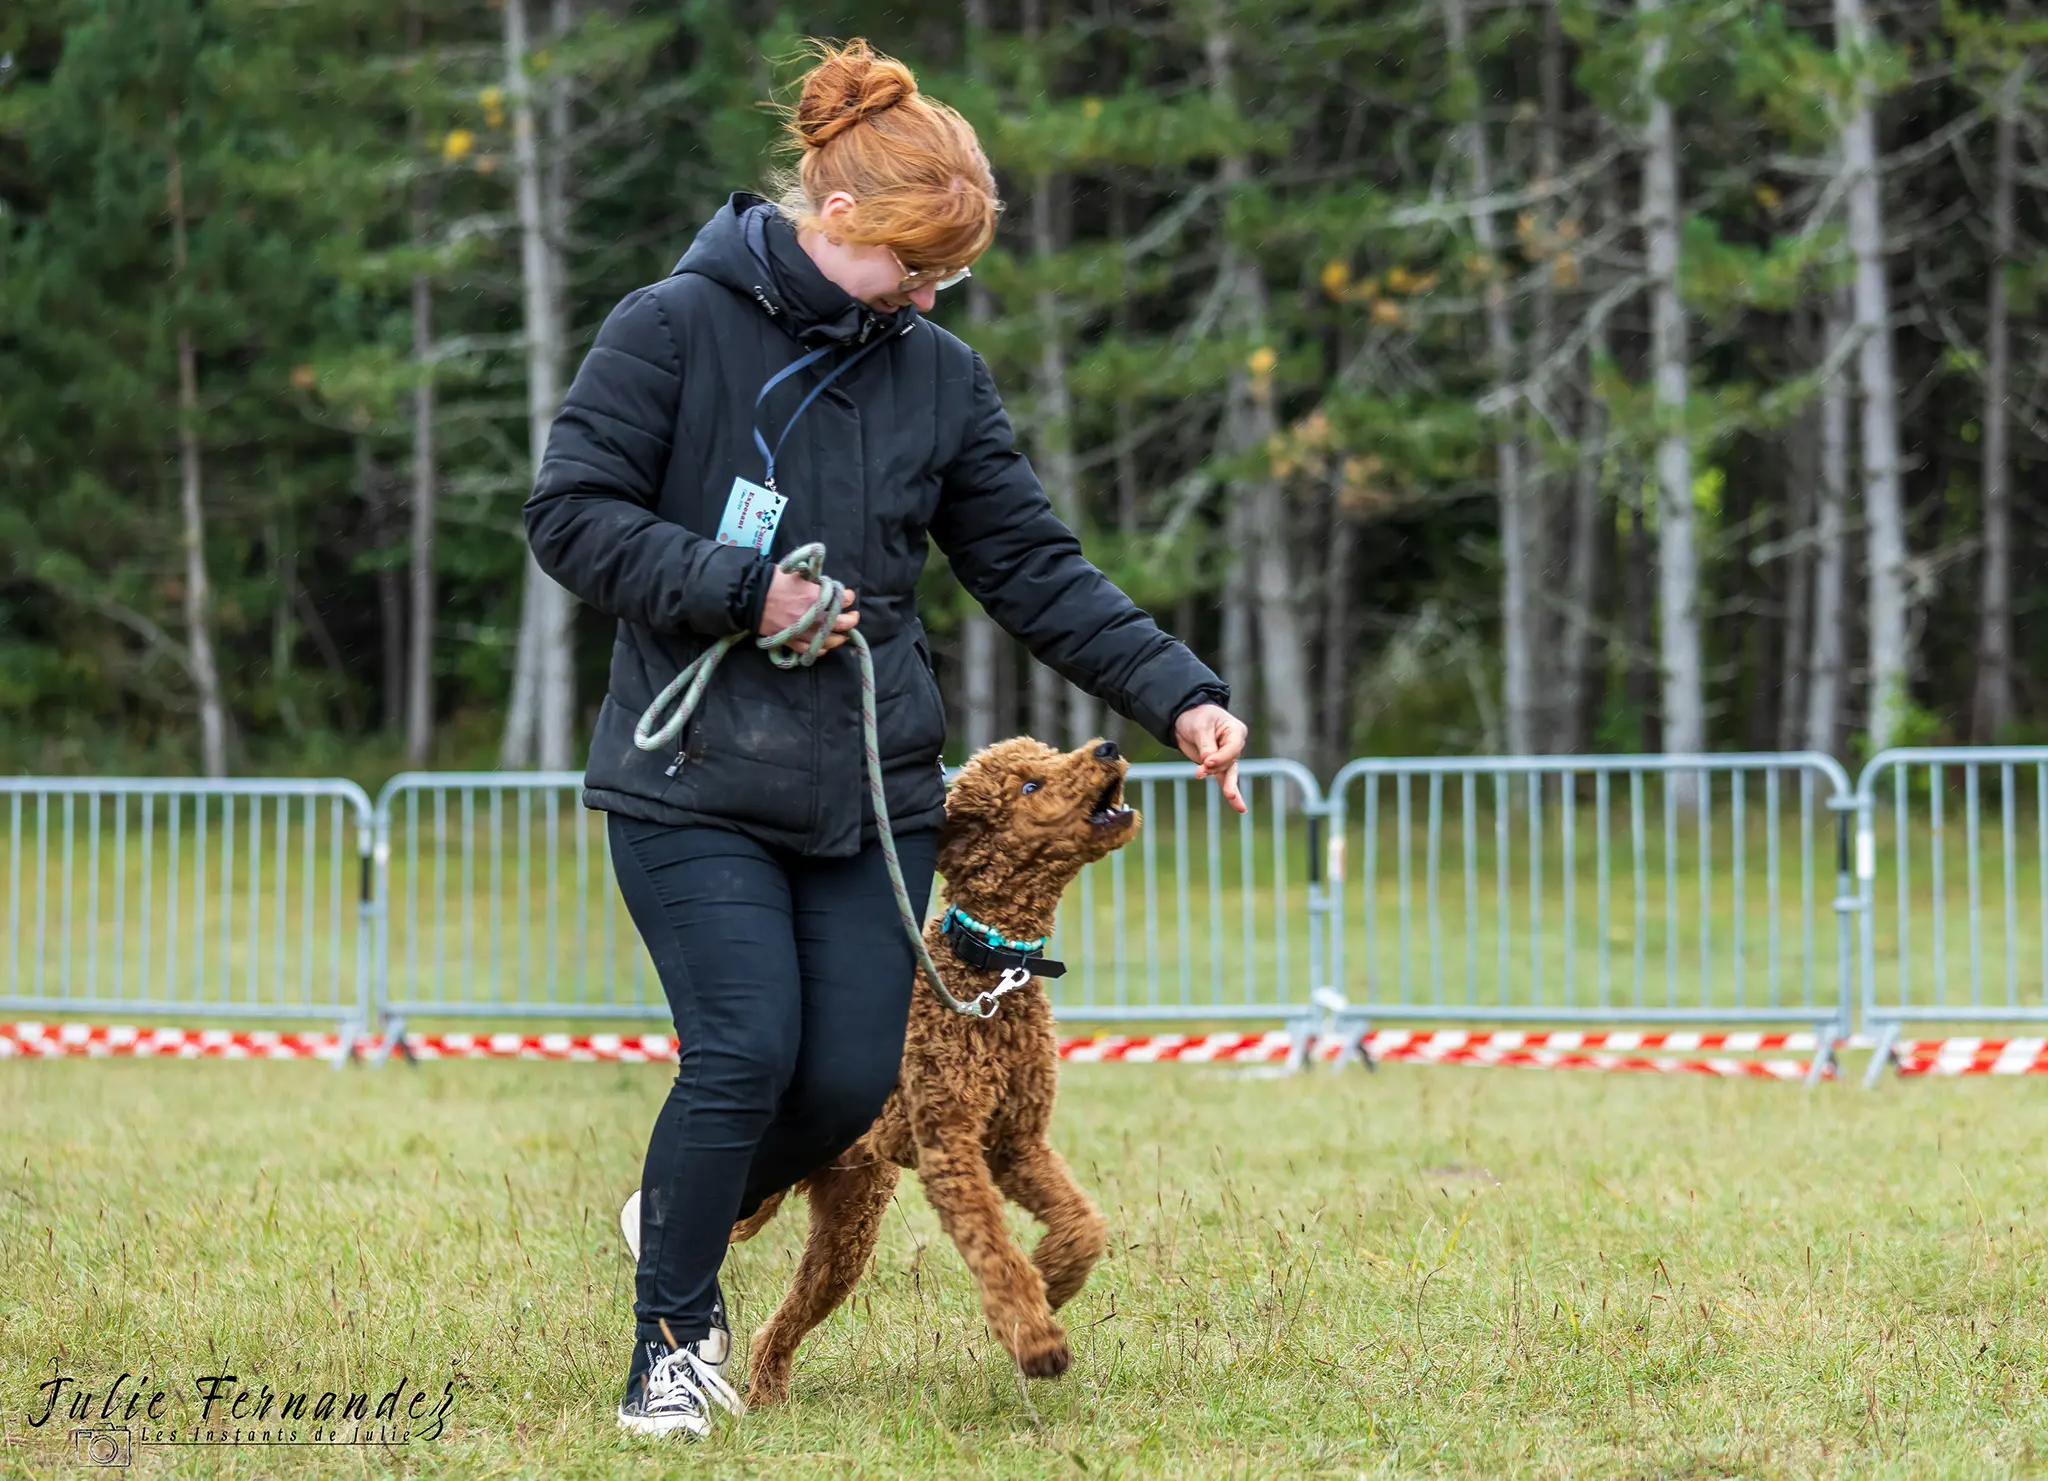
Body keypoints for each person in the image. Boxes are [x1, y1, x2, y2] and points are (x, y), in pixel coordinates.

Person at [523, 37, 1249, 1439]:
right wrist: (745, 590)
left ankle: (685, 1205)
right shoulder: (670, 328)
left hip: (868, 796)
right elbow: (571, 516)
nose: (924, 296)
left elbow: (1032, 567)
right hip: (693, 783)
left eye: (947, 281)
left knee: (848, 1081)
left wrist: (1178, 691)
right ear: (836, 216)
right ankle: (672, 1348)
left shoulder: (940, 378)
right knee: (742, 1053)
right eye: (910, 267)